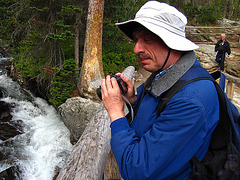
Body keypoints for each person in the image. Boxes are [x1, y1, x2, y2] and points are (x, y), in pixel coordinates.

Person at [101, 1, 220, 179]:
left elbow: (137, 171)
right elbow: (157, 109)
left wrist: (116, 113)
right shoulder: (167, 72)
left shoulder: (191, 102)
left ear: (172, 42)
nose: (136, 49)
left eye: (147, 39)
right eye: (136, 40)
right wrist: (133, 100)